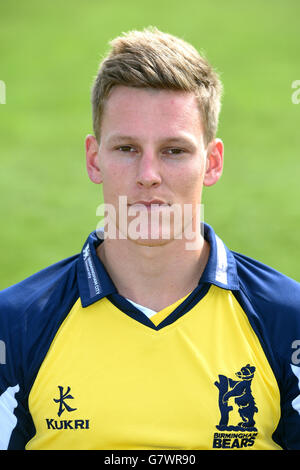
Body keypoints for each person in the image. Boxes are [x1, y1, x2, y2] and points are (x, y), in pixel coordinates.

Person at [0, 27, 300, 451]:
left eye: (174, 150)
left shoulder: (287, 322)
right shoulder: (15, 325)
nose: (148, 176)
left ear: (212, 163)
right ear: (94, 159)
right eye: (126, 149)